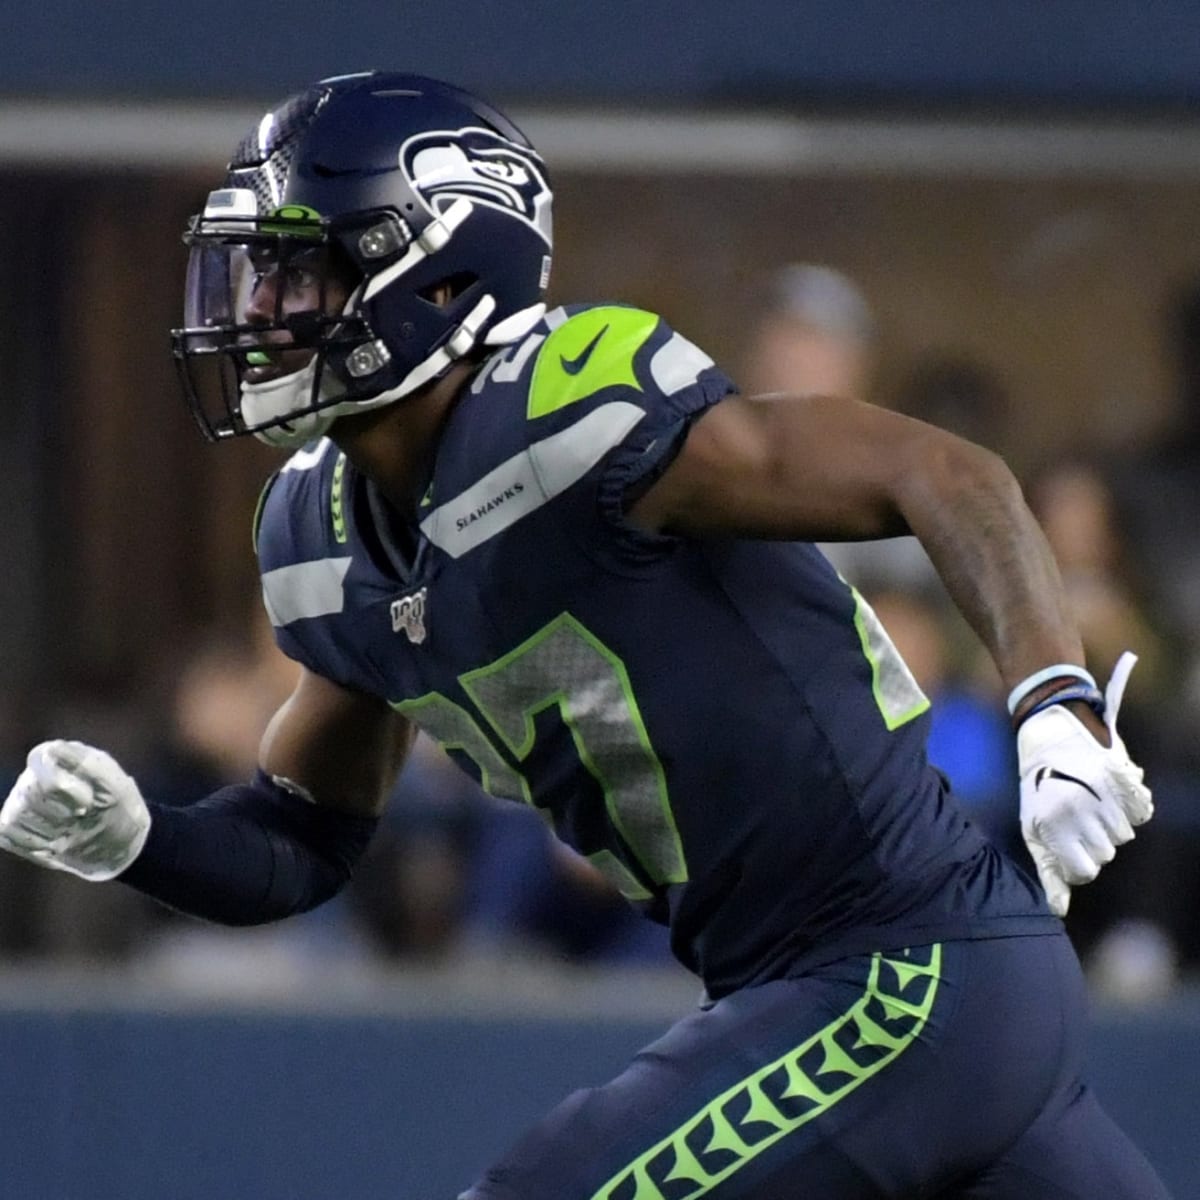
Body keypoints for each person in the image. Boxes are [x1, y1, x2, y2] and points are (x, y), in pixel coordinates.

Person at [0, 72, 1168, 1198]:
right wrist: (137, 840)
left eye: (301, 272)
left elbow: (943, 471)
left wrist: (1052, 704)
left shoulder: (570, 416)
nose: (259, 311)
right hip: (837, 990)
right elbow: (303, 838)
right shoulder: (322, 547)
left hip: (908, 962)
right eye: (260, 275)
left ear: (443, 277)